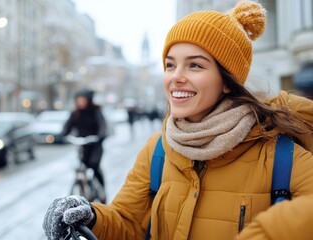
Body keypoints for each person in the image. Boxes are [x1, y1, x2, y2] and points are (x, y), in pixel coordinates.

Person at [43, 1, 313, 239]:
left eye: (195, 65)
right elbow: (128, 223)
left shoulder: (281, 156)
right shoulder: (157, 149)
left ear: (227, 82)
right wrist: (92, 217)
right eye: (170, 65)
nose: (175, 77)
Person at [61, 88, 108, 189]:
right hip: (82, 145)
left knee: (94, 165)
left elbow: (102, 125)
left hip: (95, 145)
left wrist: (101, 136)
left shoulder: (95, 111)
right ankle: (83, 188)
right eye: (78, 100)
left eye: (83, 99)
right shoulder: (75, 113)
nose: (80, 102)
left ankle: (102, 192)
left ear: (88, 100)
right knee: (81, 166)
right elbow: (67, 126)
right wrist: (63, 134)